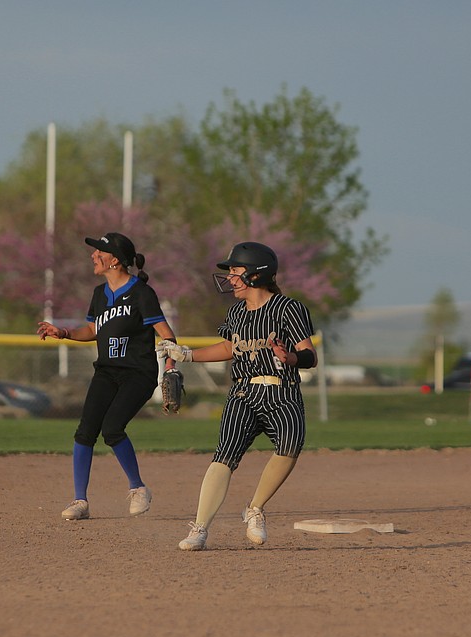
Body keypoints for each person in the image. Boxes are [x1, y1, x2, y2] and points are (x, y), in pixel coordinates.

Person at [157, 242, 317, 551]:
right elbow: (229, 347)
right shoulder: (236, 312)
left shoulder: (288, 308)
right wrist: (188, 354)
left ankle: (254, 508)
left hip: (282, 391)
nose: (230, 278)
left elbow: (309, 353)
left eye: (235, 271)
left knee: (290, 445)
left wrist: (294, 359)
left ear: (256, 275)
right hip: (243, 392)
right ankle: (200, 528)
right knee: (224, 456)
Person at [36, 233, 178, 521]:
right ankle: (80, 501)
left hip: (138, 373)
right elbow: (92, 331)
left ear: (114, 260)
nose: (93, 255)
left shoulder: (141, 293)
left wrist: (171, 369)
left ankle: (138, 488)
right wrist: (62, 332)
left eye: (99, 251)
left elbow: (167, 335)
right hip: (107, 370)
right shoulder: (99, 294)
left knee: (112, 428)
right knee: (85, 431)